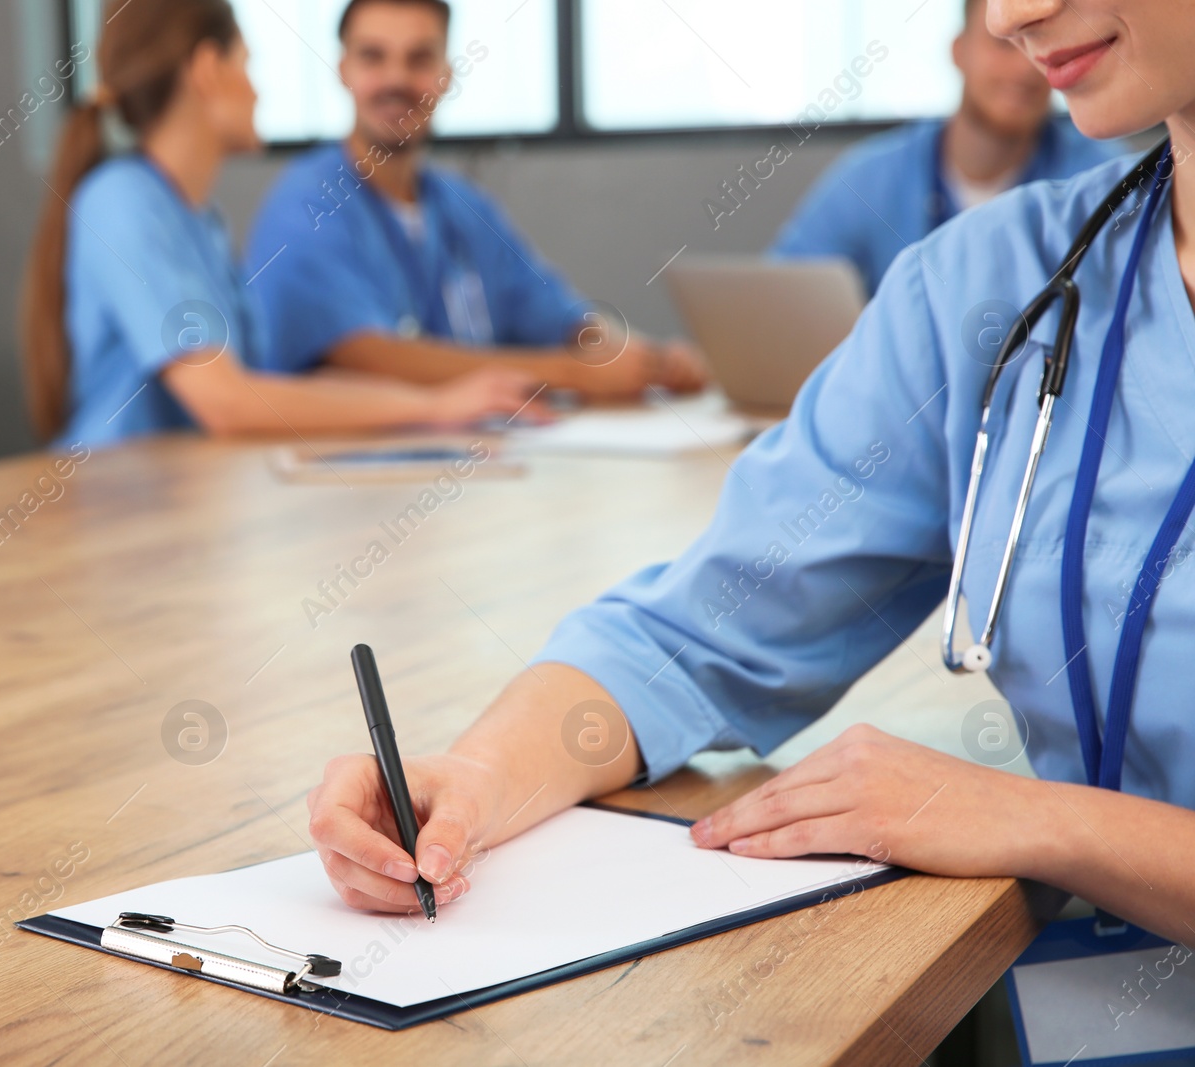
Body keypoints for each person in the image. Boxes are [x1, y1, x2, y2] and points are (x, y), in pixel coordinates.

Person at [306, 0, 1195, 950]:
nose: (1017, 12)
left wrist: (1045, 822)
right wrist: (479, 776)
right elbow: (704, 625)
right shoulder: (993, 282)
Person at [19, 0, 549, 448]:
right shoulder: (122, 203)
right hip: (118, 516)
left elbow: (259, 388)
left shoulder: (201, 221)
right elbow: (225, 403)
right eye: (247, 65)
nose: (257, 91)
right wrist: (432, 406)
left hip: (190, 501)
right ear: (208, 70)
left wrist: (432, 404)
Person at [242, 0, 707, 402]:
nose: (396, 78)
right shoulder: (307, 204)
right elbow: (367, 357)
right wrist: (572, 374)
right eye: (373, 57)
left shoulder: (464, 208)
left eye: (419, 58)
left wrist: (647, 360)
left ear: (445, 76)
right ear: (343, 71)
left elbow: (562, 318)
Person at [769, 0, 1123, 296]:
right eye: (1004, 44)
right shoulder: (870, 180)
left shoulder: (1103, 183)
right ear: (958, 52)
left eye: (1041, 45)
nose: (1024, 67)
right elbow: (779, 299)